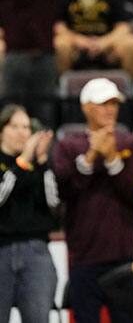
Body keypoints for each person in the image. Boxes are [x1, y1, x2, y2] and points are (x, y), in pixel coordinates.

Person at [52, 78, 133, 323]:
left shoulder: (130, 143)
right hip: (84, 256)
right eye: (103, 104)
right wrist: (91, 156)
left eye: (114, 103)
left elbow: (132, 192)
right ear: (86, 107)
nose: (110, 109)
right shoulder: (68, 146)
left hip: (122, 253)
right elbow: (65, 190)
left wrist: (112, 158)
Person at [0, 104, 58, 323]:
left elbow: (54, 203)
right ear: (1, 131)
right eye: (14, 126)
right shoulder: (16, 163)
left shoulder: (39, 166)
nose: (22, 132)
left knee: (38, 318)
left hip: (36, 251)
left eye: (26, 127)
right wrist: (22, 161)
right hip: (2, 249)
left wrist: (42, 161)